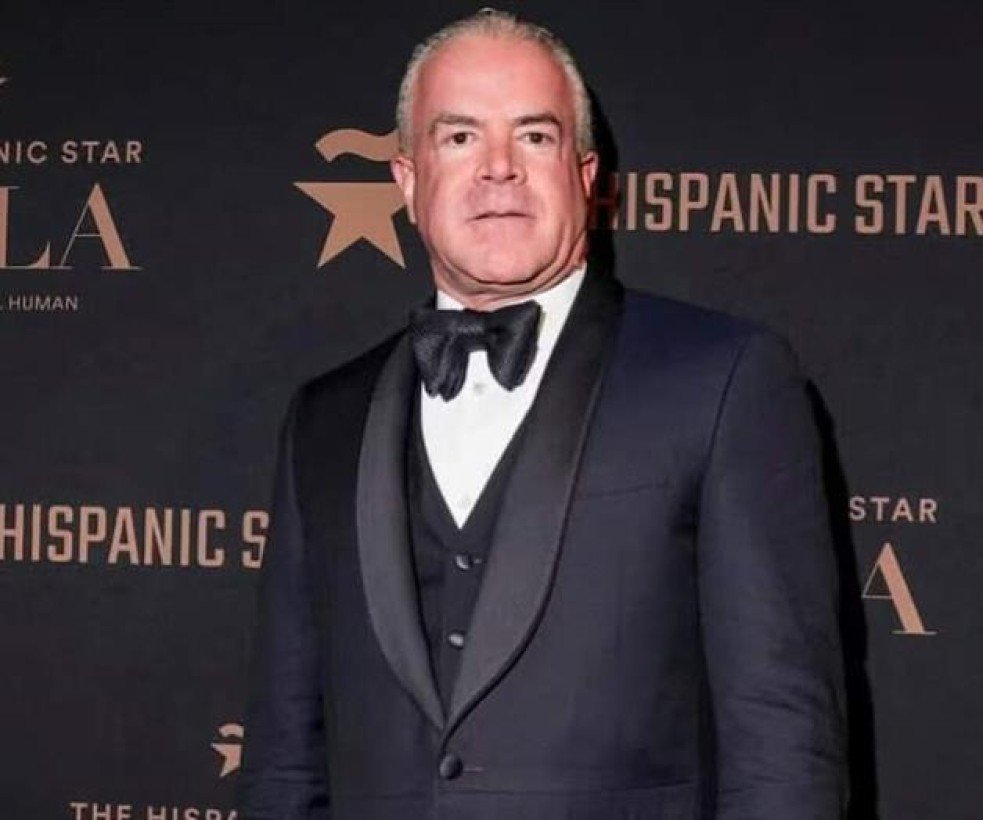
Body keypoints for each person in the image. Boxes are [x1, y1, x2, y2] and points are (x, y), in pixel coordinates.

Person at [239, 9, 847, 819]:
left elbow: (783, 747)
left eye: (533, 136)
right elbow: (284, 759)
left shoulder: (722, 380)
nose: (499, 168)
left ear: (584, 175)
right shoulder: (324, 418)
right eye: (460, 137)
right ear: (407, 180)